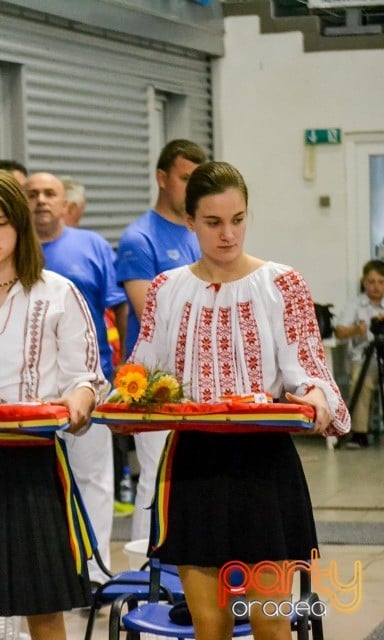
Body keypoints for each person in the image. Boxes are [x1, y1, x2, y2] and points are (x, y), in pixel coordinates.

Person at [129, 161, 350, 640]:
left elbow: (312, 372)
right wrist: (114, 401)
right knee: (210, 626)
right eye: (213, 222)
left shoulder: (281, 283)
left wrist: (313, 400)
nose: (228, 234)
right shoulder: (167, 289)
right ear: (189, 221)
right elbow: (139, 372)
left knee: (270, 623)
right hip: (193, 466)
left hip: (262, 467)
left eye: (238, 219)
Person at [0, 169, 108, 640]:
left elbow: (88, 378)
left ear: (20, 224)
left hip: (33, 463)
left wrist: (80, 400)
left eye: (0, 222)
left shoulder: (59, 292)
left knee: (44, 606)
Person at [25, 170, 126, 584]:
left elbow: (117, 307)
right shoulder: (11, 249)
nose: (41, 201)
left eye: (50, 193)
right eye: (32, 194)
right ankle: (47, 573)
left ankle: (96, 575)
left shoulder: (93, 246)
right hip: (31, 394)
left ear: (66, 202)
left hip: (89, 384)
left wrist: (122, 371)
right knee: (39, 485)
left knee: (94, 480)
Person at [114, 138, 207, 541]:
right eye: (187, 178)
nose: (193, 187)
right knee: (155, 476)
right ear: (162, 178)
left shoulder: (199, 230)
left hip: (197, 377)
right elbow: (148, 313)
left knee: (194, 477)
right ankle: (145, 569)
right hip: (155, 380)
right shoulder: (140, 238)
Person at [334, 259, 384, 449]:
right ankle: (360, 432)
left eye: (380, 282)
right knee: (360, 380)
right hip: (365, 358)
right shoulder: (355, 304)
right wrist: (357, 330)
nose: (376, 286)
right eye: (371, 282)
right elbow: (339, 331)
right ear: (364, 282)